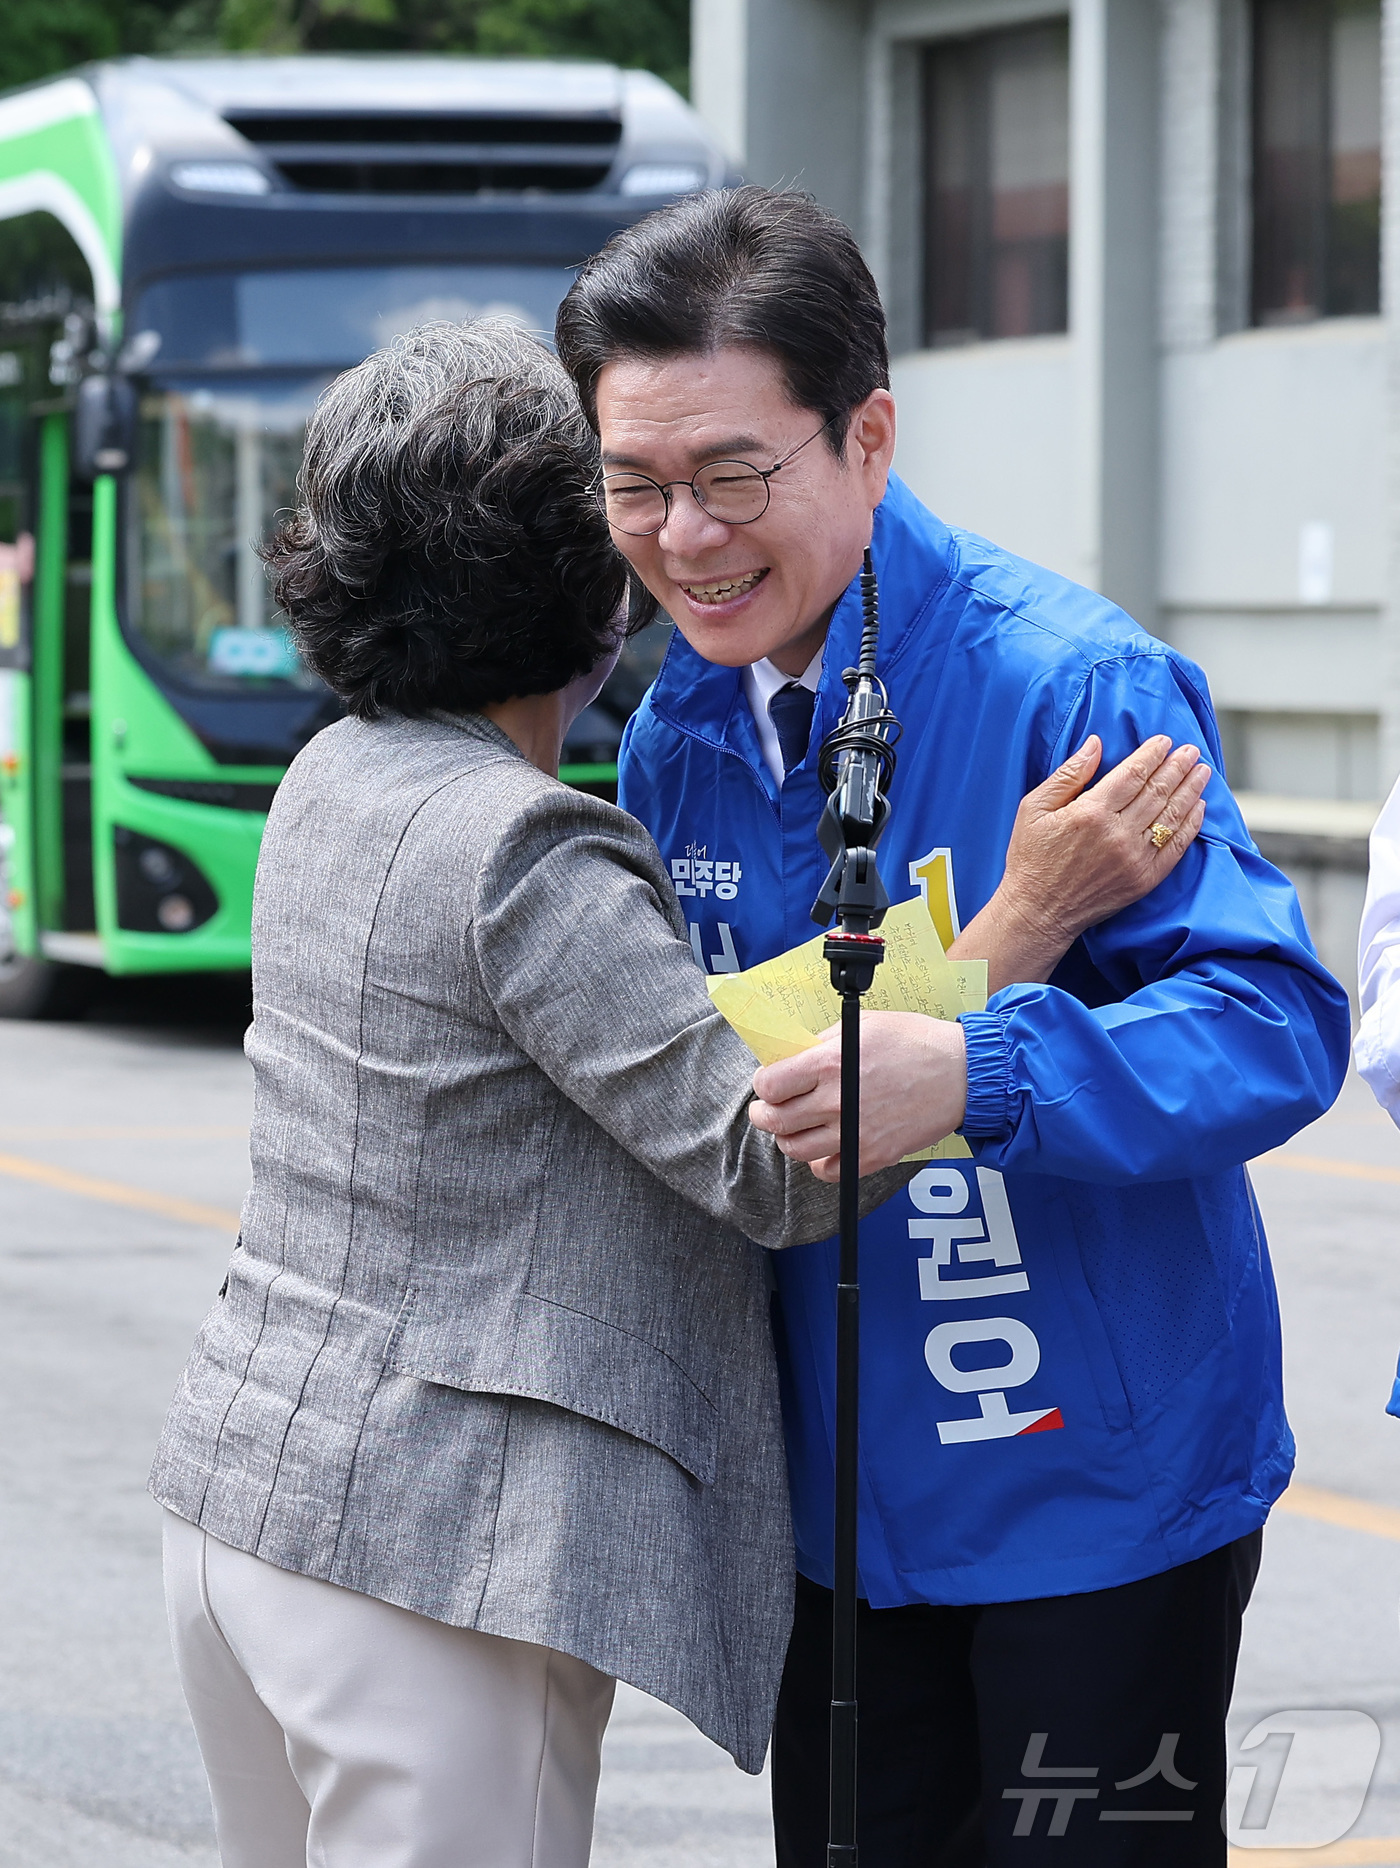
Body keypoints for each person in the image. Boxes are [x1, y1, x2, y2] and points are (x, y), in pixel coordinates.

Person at [148, 320, 1203, 1868]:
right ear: (592, 590)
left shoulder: (334, 780)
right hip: (426, 1558)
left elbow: (670, 1044)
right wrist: (1016, 925)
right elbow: (762, 1157)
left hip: (251, 1504)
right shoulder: (523, 845)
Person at [556, 186, 1352, 1866]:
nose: (683, 537)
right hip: (839, 1520)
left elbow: (1273, 1021)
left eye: (733, 477)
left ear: (870, 437)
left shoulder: (1070, 683)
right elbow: (727, 1085)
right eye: (635, 484)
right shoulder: (677, 731)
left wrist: (983, 1070)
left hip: (1100, 1509)